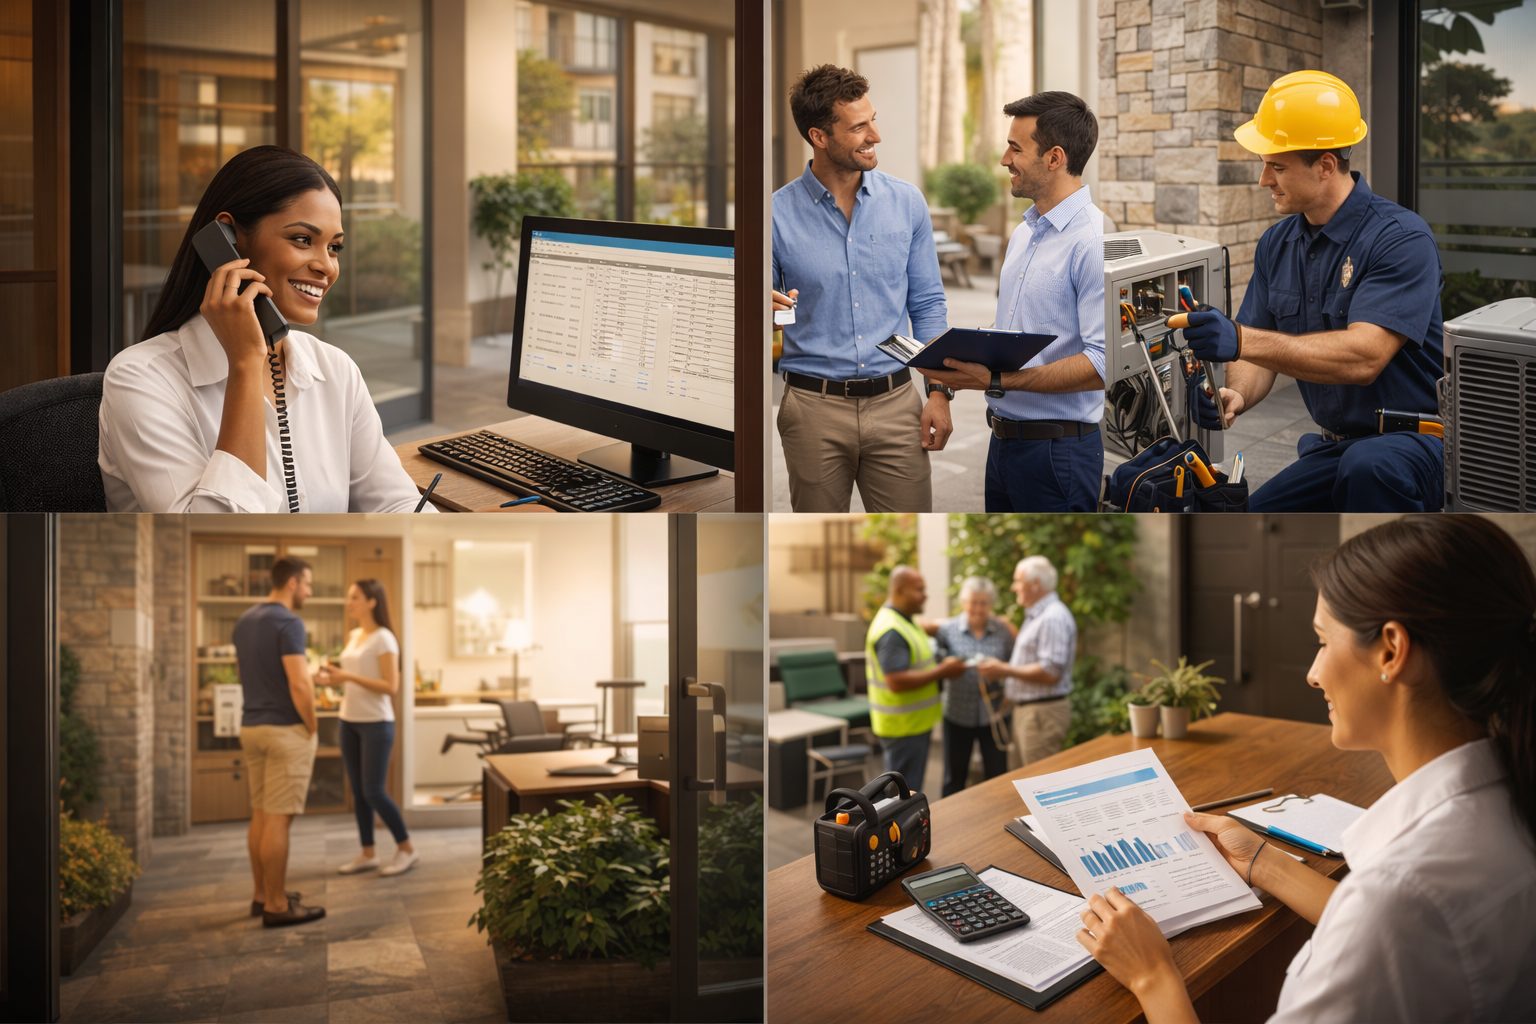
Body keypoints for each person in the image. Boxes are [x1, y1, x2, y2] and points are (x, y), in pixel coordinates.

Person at [1076, 515, 1536, 1023]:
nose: (1314, 675)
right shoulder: (1508, 802)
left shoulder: (1399, 898)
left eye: (1322, 640)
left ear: (1391, 650)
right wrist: (1262, 862)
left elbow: (1387, 919)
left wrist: (1153, 977)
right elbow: (1391, 925)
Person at [99, 145, 433, 513]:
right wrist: (244, 364)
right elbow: (212, 545)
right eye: (303, 240)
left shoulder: (335, 370)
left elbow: (397, 503)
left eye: (334, 247)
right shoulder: (140, 380)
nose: (326, 267)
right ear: (227, 240)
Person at [1178, 71, 1446, 512]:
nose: (1264, 179)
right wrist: (1237, 394)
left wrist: (1240, 338)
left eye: (1277, 166)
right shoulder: (1276, 244)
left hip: (1416, 444)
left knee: (1368, 469)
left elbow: (1365, 356)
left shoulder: (1401, 238)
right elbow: (1255, 351)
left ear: (1325, 165)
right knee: (1251, 518)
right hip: (1336, 448)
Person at [772, 64, 952, 513]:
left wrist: (938, 391)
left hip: (896, 403)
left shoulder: (907, 202)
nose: (875, 135)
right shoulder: (772, 215)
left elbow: (927, 303)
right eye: (858, 127)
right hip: (812, 409)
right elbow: (768, 315)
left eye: (873, 119)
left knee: (906, 546)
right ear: (819, 136)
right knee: (818, 551)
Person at [923, 92, 1106, 512]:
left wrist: (995, 381)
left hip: (1060, 456)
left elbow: (1101, 364)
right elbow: (1020, 331)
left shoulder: (1093, 241)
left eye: (1016, 148)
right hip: (1003, 443)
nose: (1005, 159)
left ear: (1055, 157)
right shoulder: (1025, 232)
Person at [234, 556, 326, 927]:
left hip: (252, 726)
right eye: (307, 584)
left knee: (260, 813)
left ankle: (261, 895)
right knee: (278, 821)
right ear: (291, 582)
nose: (308, 591)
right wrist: (312, 724)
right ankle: (276, 905)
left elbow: (245, 674)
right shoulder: (288, 622)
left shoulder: (245, 621)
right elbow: (299, 682)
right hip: (285, 730)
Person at [318, 579, 417, 878]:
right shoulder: (355, 635)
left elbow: (391, 686)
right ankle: (368, 853)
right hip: (349, 720)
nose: (348, 602)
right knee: (359, 792)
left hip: (377, 723)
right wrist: (333, 681)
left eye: (354, 597)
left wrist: (346, 676)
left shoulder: (384, 638)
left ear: (372, 601)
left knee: (374, 791)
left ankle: (407, 850)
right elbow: (353, 677)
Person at [865, 565, 968, 795]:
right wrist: (943, 671)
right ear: (901, 591)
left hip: (912, 724)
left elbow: (931, 625)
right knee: (900, 798)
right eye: (919, 590)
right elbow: (896, 681)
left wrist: (969, 616)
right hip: (903, 728)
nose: (925, 595)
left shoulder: (905, 621)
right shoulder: (892, 631)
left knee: (905, 794)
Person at [976, 556, 1076, 768]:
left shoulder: (1052, 617)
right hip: (1031, 712)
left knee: (1040, 785)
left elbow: (1050, 672)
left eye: (1018, 581)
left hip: (1040, 714)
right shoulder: (1038, 616)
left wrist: (1004, 670)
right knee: (1025, 783)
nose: (1014, 587)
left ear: (1035, 584)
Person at [932, 576, 1016, 797]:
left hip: (995, 714)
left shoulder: (1002, 631)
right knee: (954, 777)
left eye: (983, 603)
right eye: (973, 602)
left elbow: (1013, 665)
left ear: (991, 605)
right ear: (963, 602)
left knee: (997, 774)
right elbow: (937, 664)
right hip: (958, 712)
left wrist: (1004, 680)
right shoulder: (947, 629)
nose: (977, 608)